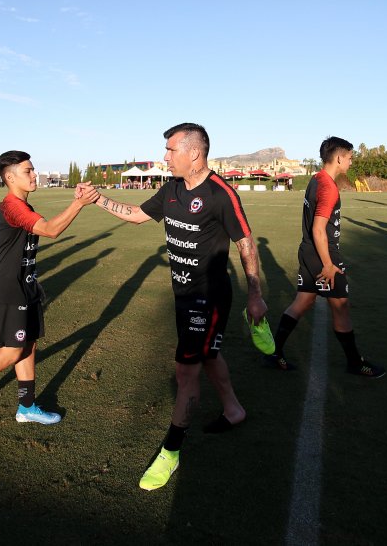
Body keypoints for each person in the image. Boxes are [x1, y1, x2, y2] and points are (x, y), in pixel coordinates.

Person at [78, 123, 267, 491]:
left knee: (185, 373)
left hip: (208, 298)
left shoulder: (221, 194)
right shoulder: (172, 188)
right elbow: (137, 215)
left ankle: (171, 451)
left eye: (170, 150)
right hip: (182, 296)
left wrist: (256, 295)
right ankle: (234, 410)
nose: (165, 157)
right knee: (210, 357)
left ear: (194, 153)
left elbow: (245, 244)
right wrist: (98, 199)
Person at [0, 151, 99, 425]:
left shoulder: (24, 206)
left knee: (28, 346)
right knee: (12, 350)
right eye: (28, 171)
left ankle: (27, 406)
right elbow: (51, 229)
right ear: (10, 177)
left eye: (33, 169)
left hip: (27, 286)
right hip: (9, 290)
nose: (33, 174)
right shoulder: (12, 206)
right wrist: (78, 204)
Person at [265, 137, 385, 379]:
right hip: (323, 254)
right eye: (350, 158)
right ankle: (355, 362)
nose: (351, 162)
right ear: (339, 158)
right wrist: (329, 264)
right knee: (341, 306)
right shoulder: (329, 187)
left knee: (303, 301)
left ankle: (273, 352)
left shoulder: (316, 179)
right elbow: (319, 229)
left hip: (309, 251)